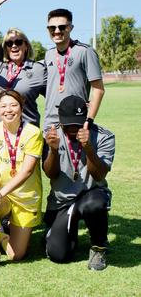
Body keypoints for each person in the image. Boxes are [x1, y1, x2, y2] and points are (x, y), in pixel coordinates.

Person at [43, 95, 115, 271]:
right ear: (60, 120)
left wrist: (89, 148)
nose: (74, 129)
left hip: (91, 193)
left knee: (95, 204)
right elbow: (51, 174)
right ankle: (69, 230)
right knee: (58, 255)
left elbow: (99, 175)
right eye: (69, 125)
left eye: (78, 123)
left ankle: (98, 247)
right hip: (62, 201)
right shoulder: (51, 134)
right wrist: (53, 150)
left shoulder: (105, 136)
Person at [0, 90, 43, 271]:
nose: (8, 110)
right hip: (4, 195)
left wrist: (1, 191)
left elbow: (26, 171)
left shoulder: (33, 132)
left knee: (16, 255)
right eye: (3, 106)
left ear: (22, 107)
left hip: (25, 198)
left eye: (13, 105)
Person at [0, 0, 46, 127]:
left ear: (26, 46)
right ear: (5, 48)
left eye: (18, 42)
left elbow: (54, 97)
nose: (14, 45)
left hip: (26, 134)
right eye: (9, 43)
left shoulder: (38, 70)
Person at [43, 8, 105, 131]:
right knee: (50, 151)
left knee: (74, 151)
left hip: (75, 118)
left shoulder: (85, 51)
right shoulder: (48, 54)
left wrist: (90, 119)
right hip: (50, 121)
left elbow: (98, 89)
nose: (56, 31)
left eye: (62, 27)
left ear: (70, 27)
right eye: (52, 28)